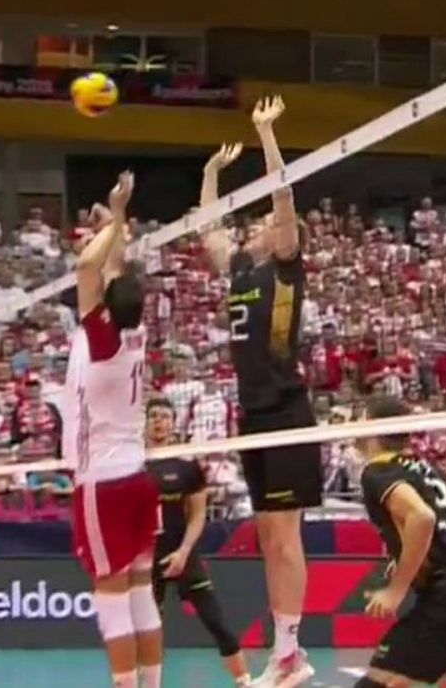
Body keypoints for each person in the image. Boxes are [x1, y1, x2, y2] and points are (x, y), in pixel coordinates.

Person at [200, 97, 317, 688]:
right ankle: (287, 653)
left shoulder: (287, 267)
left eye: (271, 224)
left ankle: (291, 651)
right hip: (252, 414)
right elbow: (208, 230)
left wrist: (266, 134)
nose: (264, 225)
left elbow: (284, 196)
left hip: (288, 409)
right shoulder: (242, 270)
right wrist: (211, 174)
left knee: (285, 533)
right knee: (269, 535)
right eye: (263, 223)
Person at [62, 172, 163, 688]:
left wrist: (109, 216)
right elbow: (114, 269)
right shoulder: (134, 331)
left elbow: (87, 266)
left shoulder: (100, 340)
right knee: (141, 590)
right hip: (138, 476)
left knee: (112, 595)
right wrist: (118, 216)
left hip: (104, 482)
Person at [354, 396, 446, 688]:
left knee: (381, 682)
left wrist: (396, 590)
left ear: (373, 426)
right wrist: (435, 554)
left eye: (359, 418)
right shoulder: (425, 467)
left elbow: (421, 518)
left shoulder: (378, 472)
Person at [144, 397, 248, 687]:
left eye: (164, 416)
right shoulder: (134, 463)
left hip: (182, 554)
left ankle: (245, 681)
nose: (159, 421)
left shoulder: (187, 464)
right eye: (153, 416)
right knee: (149, 630)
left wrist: (183, 552)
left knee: (216, 621)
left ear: (173, 421)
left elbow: (198, 514)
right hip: (145, 557)